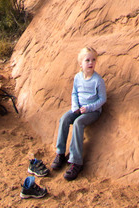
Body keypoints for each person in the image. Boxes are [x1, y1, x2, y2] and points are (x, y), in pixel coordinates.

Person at [51, 45, 106, 181]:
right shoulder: (77, 77)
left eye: (93, 60)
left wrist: (89, 108)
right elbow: (74, 93)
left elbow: (102, 99)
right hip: (78, 108)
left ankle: (76, 161)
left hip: (92, 111)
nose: (91, 63)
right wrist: (75, 106)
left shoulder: (98, 80)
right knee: (64, 119)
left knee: (78, 123)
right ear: (80, 63)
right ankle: (60, 153)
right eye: (87, 60)